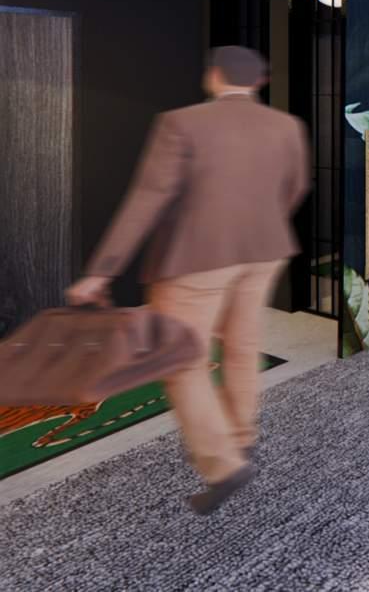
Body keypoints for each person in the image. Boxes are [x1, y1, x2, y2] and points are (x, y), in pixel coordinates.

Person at [66, 46, 310, 515]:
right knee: (242, 346)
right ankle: (240, 436)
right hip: (265, 251)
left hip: (196, 259)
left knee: (181, 360)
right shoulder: (287, 126)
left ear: (214, 76)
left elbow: (147, 200)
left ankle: (223, 465)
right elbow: (295, 188)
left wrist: (101, 270)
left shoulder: (181, 123)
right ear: (258, 81)